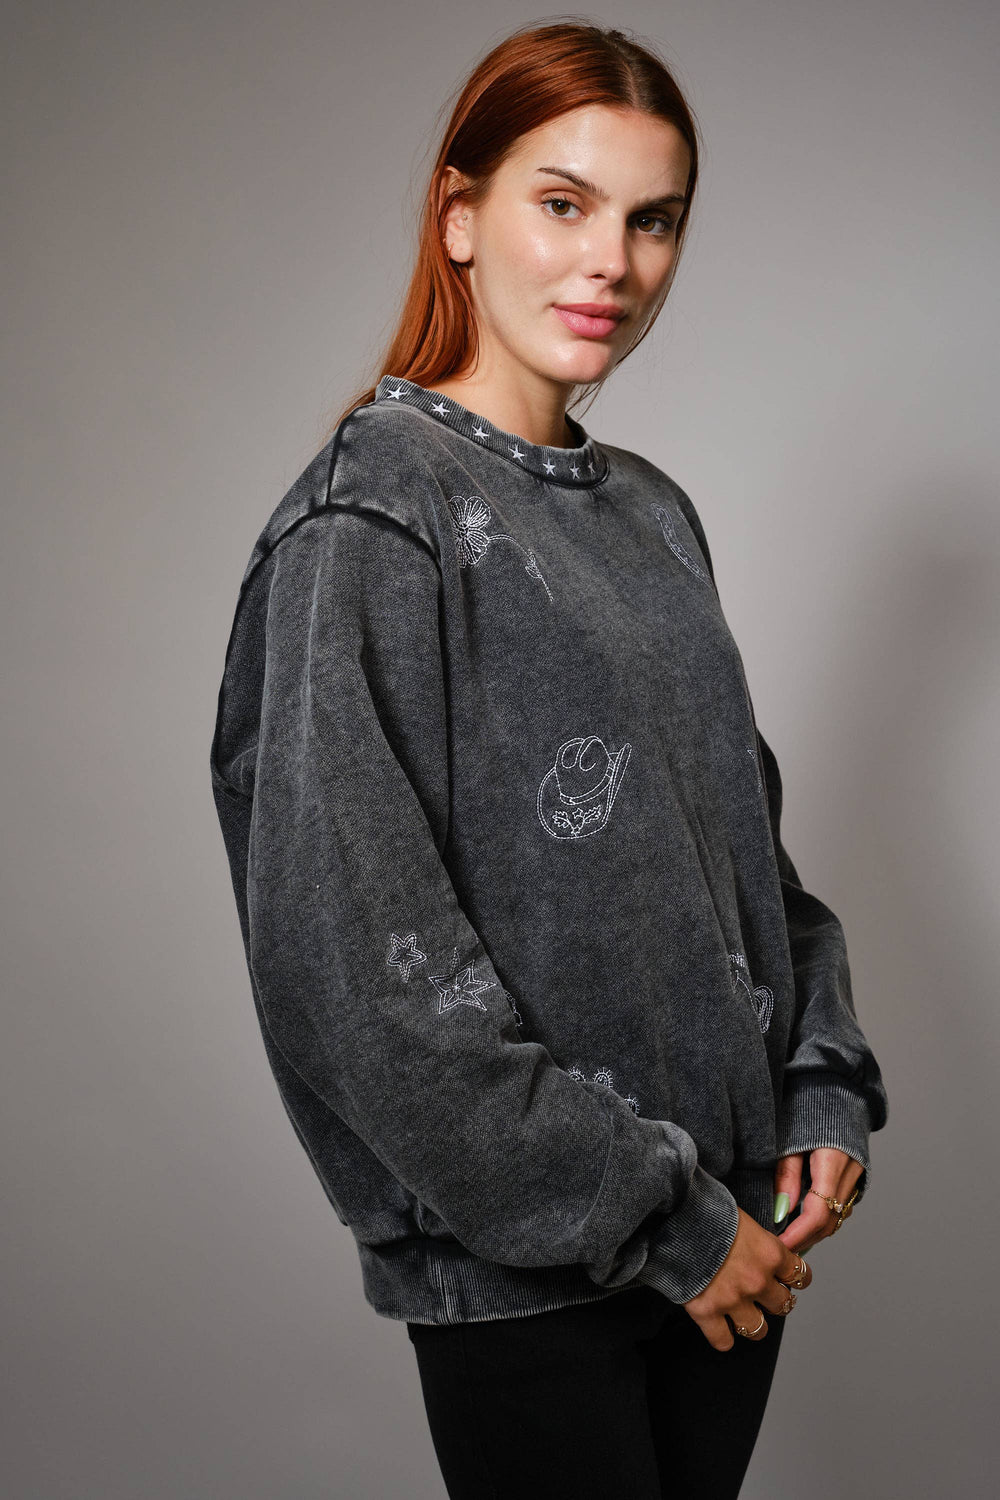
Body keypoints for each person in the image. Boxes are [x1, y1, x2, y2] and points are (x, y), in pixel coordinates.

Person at [209, 20, 888, 1499]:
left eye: (654, 220)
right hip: (545, 1265)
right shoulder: (370, 517)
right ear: (460, 216)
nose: (612, 264)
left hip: (737, 1231)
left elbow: (742, 861)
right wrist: (664, 1224)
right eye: (564, 203)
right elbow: (352, 970)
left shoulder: (651, 512)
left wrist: (824, 1085)